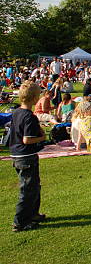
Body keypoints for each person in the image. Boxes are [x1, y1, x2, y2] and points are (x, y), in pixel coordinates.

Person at [9, 81, 47, 232]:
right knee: (27, 190)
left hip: (17, 154)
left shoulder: (17, 112)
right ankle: (20, 222)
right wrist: (42, 138)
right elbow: (27, 139)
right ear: (34, 98)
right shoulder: (29, 116)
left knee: (34, 186)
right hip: (26, 155)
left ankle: (33, 214)